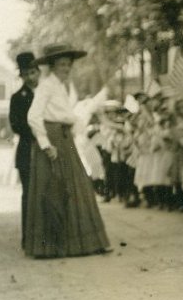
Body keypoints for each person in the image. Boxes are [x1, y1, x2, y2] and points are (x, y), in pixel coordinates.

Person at [25, 43, 111, 257]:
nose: (66, 68)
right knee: (53, 190)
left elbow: (67, 116)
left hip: (65, 138)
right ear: (52, 66)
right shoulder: (46, 85)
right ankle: (51, 247)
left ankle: (80, 243)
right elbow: (33, 116)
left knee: (75, 187)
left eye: (68, 64)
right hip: (53, 141)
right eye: (61, 64)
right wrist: (46, 145)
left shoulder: (61, 86)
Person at [9, 52, 40, 247]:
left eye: (33, 72)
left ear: (39, 71)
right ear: (21, 75)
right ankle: (28, 239)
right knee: (29, 194)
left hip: (48, 150)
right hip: (28, 149)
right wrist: (39, 132)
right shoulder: (17, 97)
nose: (30, 77)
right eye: (26, 74)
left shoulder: (47, 93)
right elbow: (16, 125)